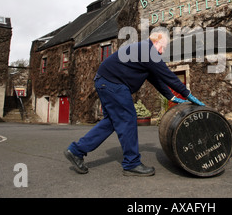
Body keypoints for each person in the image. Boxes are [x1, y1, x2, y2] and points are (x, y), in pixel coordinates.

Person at [64, 31, 204, 176]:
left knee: (111, 122)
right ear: (156, 41)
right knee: (128, 119)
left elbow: (155, 78)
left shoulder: (144, 50)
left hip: (105, 81)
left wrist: (171, 97)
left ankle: (76, 151)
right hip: (113, 83)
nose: (162, 52)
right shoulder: (148, 50)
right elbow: (169, 76)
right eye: (162, 47)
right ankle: (131, 164)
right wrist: (188, 94)